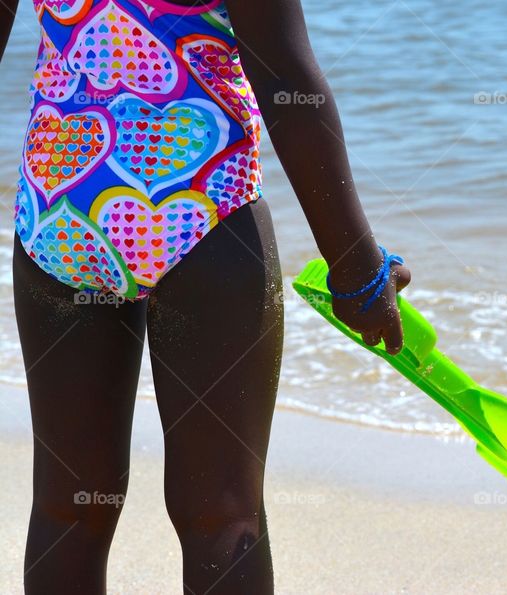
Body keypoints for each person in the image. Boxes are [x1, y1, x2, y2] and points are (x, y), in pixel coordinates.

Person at [0, 0, 411, 592]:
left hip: (62, 203)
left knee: (69, 508)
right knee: (222, 513)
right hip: (200, 199)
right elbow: (284, 75)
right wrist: (356, 268)